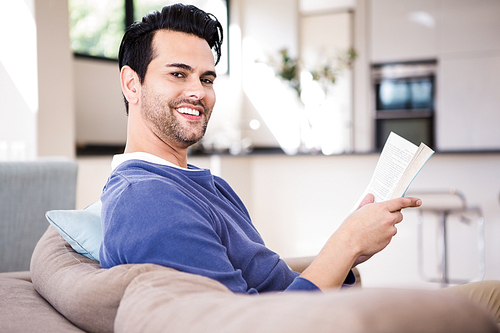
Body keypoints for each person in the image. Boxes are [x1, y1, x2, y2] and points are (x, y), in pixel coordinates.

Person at [99, 3, 500, 319]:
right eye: (178, 74)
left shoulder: (200, 183)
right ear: (132, 84)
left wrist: (350, 250)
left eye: (206, 79)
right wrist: (346, 244)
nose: (198, 92)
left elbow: (269, 288)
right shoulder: (148, 201)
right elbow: (246, 325)